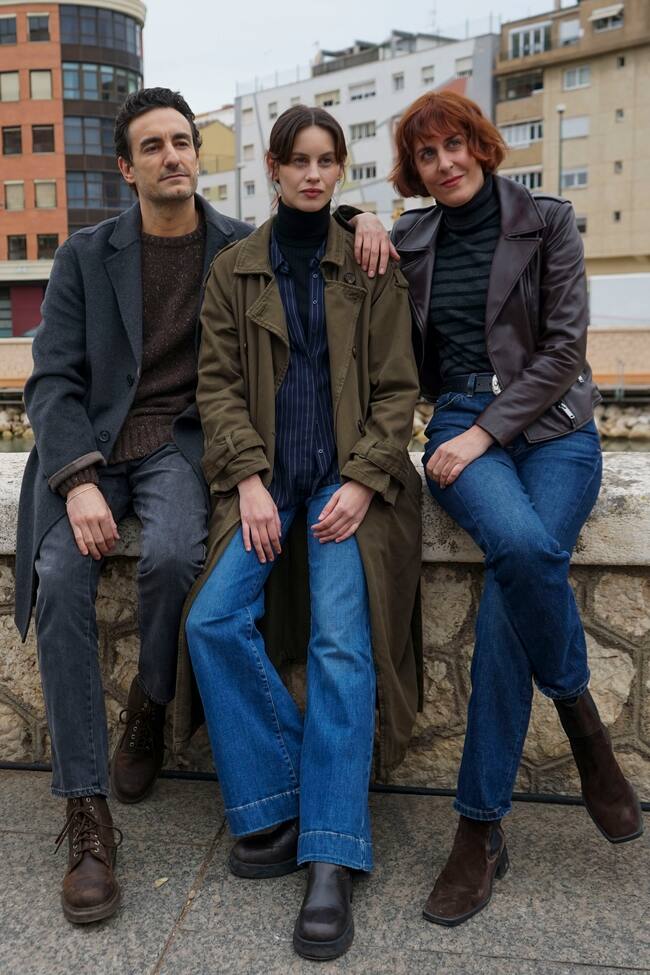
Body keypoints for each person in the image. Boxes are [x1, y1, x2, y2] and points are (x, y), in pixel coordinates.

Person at [14, 84, 395, 925]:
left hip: (180, 450)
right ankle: (86, 813)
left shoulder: (233, 245)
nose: (172, 156)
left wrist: (361, 214)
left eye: (182, 141)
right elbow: (51, 380)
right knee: (62, 577)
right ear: (127, 168)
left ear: (199, 154)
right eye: (152, 146)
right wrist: (76, 479)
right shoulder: (84, 255)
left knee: (177, 554)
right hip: (93, 450)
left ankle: (152, 703)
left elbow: (309, 220)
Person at [389, 90, 643, 927]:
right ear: (414, 170)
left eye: (455, 144)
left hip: (556, 427)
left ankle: (479, 828)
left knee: (513, 582)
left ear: (482, 145)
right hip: (459, 420)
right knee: (528, 553)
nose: (445, 163)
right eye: (427, 155)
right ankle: (582, 719)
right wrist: (356, 218)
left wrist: (487, 432)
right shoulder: (409, 240)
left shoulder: (547, 221)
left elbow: (565, 348)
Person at [184, 104, 422, 961]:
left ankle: (329, 853)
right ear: (273, 169)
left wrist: (361, 480)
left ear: (339, 167)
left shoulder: (369, 260)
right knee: (211, 619)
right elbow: (216, 386)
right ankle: (287, 798)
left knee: (339, 643)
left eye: (328, 161)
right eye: (299, 161)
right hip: (267, 483)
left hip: (348, 487)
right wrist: (248, 479)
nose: (314, 174)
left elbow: (398, 390)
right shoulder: (234, 270)